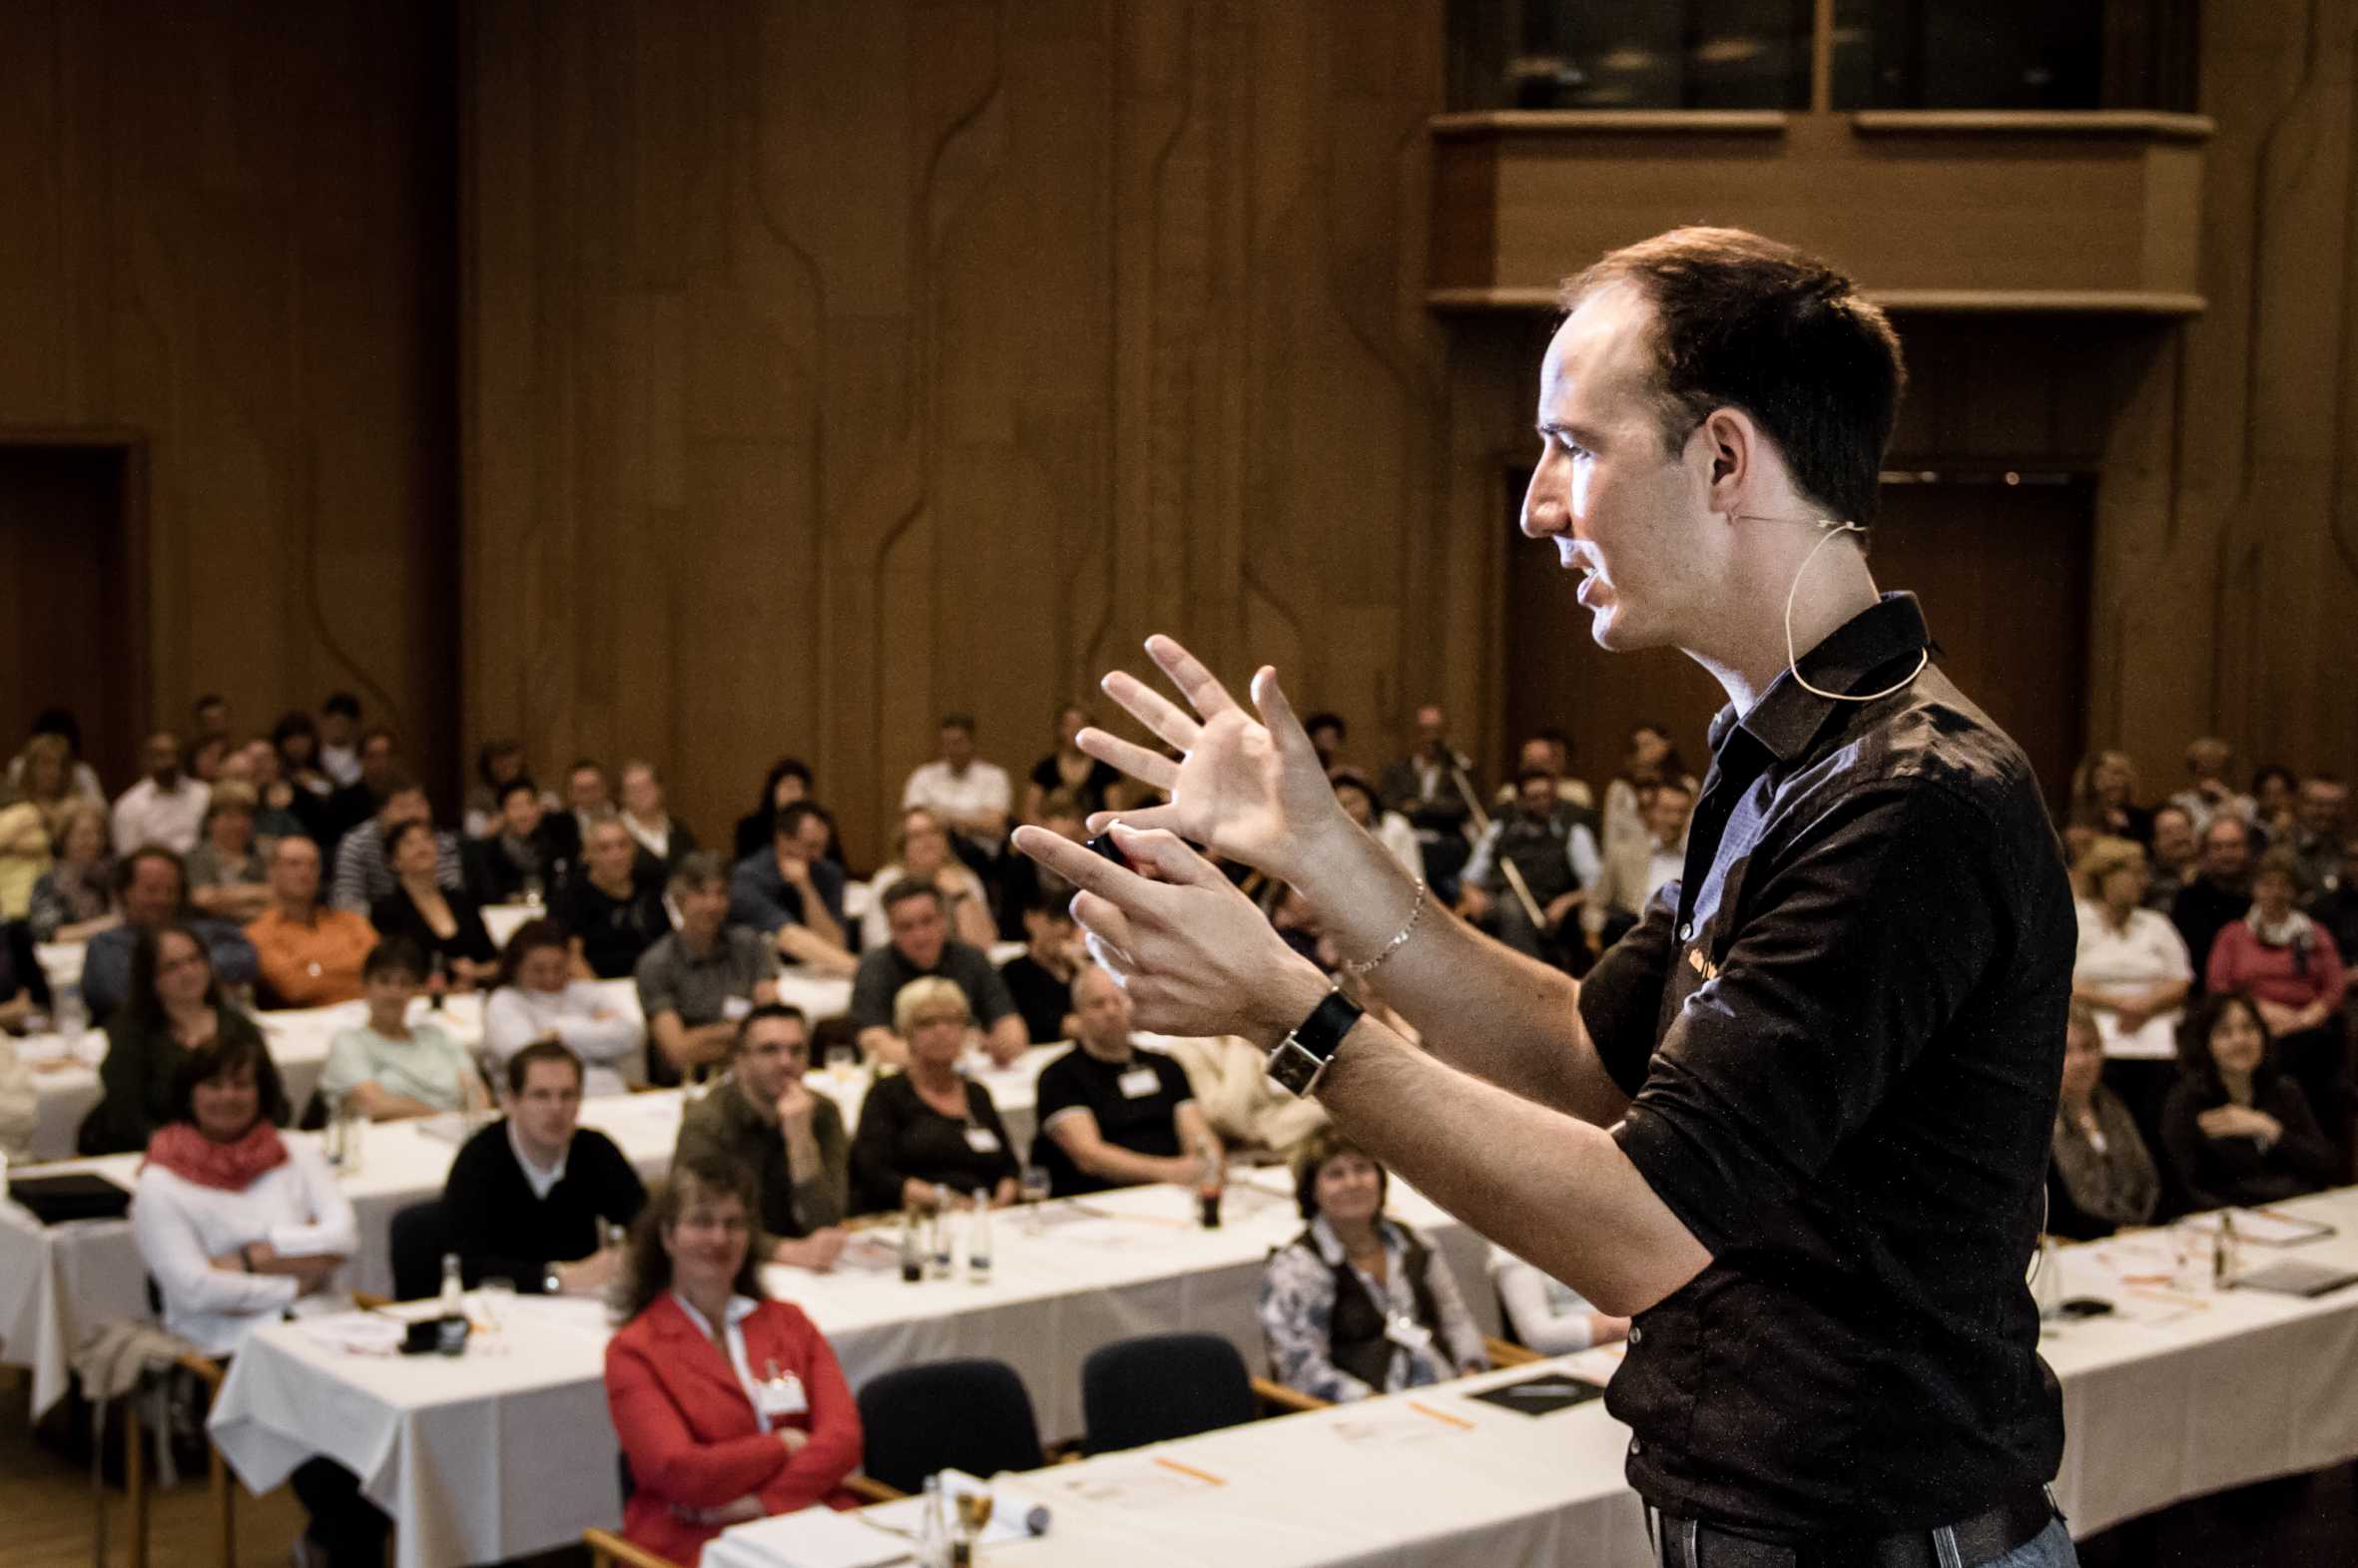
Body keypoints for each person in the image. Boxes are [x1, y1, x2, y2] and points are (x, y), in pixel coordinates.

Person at [1022, 229, 2077, 1563]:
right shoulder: (1781, 753)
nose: (1534, 505)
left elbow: (1636, 1230)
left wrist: (1288, 1013)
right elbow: (1586, 1057)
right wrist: (1321, 853)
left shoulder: (1906, 796)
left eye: (1572, 445)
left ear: (1723, 458)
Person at [129, 1032, 386, 1567]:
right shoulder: (159, 1182)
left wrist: (251, 1257)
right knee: (336, 1429)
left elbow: (343, 1238)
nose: (228, 1096)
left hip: (324, 1323)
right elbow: (194, 1287)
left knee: (393, 1410)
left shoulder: (295, 1151)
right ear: (189, 1092)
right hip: (228, 1339)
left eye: (242, 1084)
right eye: (214, 1084)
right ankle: (339, 1546)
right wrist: (296, 1276)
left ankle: (336, 1543)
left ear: (262, 1090)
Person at [604, 1155, 864, 1566]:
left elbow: (843, 1439)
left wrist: (760, 1503)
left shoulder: (790, 1324)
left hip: (806, 1517)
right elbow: (678, 1471)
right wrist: (782, 1445)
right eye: (701, 1222)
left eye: (734, 1223)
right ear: (668, 1237)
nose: (719, 1237)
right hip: (696, 1537)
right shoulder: (634, 1351)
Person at [1258, 1131, 1487, 1402]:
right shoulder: (1297, 1268)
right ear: (1312, 1191)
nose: (1352, 1183)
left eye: (1362, 1169)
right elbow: (1301, 1370)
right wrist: (1373, 1402)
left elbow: (1456, 1320)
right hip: (1361, 1410)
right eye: (1335, 1174)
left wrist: (1471, 1374)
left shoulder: (1414, 1243)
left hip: (1448, 1394)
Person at [441, 1039, 646, 1292]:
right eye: (541, 1095)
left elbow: (647, 1223)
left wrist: (627, 1254)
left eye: (567, 1095)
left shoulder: (595, 1150)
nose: (556, 1108)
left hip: (583, 1301)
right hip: (502, 1306)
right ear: (510, 1102)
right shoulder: (478, 1160)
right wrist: (556, 1278)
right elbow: (465, 1265)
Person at [81, 922, 284, 1155]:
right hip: (157, 1156)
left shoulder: (239, 1027)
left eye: (194, 960)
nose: (188, 972)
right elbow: (126, 1117)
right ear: (150, 977)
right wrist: (182, 1153)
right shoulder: (131, 1035)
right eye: (172, 966)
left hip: (237, 1154)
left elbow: (275, 1103)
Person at [673, 1005, 850, 1270]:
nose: (785, 1062)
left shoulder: (823, 1113)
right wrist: (784, 1251)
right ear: (740, 1060)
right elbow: (698, 1222)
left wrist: (801, 1141)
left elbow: (826, 1221)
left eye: (796, 1050)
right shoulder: (708, 1121)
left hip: (805, 1265)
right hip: (727, 1265)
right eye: (769, 1050)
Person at [2204, 845, 2350, 1165]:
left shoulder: (2314, 933)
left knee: (2324, 1062)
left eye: (2283, 885)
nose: (2275, 892)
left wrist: (2306, 1017)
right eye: (2267, 884)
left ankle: (2328, 1160)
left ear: (2294, 890)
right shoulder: (2233, 935)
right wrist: (2258, 1012)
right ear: (2254, 888)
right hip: (2251, 1025)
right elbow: (2218, 985)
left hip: (2308, 1028)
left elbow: (2335, 985)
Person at [1033, 966, 1218, 1197]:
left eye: (1118, 1000)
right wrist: (1170, 1171)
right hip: (1100, 1198)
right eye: (1098, 1004)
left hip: (1175, 1192)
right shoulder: (1059, 1076)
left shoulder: (1165, 1066)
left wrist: (1207, 1164)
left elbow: (1198, 1135)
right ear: (1078, 1013)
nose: (1111, 1011)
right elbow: (1089, 1156)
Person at [847, 977, 1020, 1214]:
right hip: (920, 1215)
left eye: (952, 1021)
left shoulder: (976, 1093)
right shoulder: (886, 1095)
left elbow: (1010, 1168)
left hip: (987, 1213)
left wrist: (1000, 1201)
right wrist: (949, 1202)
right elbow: (876, 1173)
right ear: (907, 1033)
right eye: (927, 1023)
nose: (942, 1031)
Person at [2159, 991, 2341, 1212]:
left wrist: (2270, 1129)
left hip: (2296, 1209)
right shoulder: (2186, 1101)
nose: (2240, 1040)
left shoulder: (2285, 1090)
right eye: (2224, 1032)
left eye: (2249, 1028)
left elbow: (2327, 1164)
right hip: (2230, 1218)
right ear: (2205, 1044)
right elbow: (2186, 1188)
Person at [2070, 836, 2193, 1148]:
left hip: (2156, 1035)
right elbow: (2063, 980)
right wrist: (2119, 1003)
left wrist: (2146, 1005)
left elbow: (2181, 979)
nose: (2144, 881)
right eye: (2134, 873)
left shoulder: (2155, 924)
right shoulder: (2077, 921)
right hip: (2095, 1034)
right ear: (2106, 876)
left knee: (2159, 1114)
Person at [637, 852, 783, 1086]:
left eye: (721, 894)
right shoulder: (656, 964)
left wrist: (701, 1038)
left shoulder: (749, 945)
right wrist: (745, 1032)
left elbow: (775, 1029)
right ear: (679, 900)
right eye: (701, 894)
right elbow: (677, 1052)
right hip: (689, 1084)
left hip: (752, 1078)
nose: (712, 905)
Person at [848, 882, 1023, 1067]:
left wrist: (1002, 1045)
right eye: (906, 927)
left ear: (944, 920)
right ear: (891, 930)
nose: (920, 936)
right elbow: (875, 1045)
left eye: (928, 921)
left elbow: (1013, 1031)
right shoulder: (874, 968)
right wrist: (953, 1050)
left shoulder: (971, 959)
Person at [80, 847, 260, 1024]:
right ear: (125, 893)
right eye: (151, 890)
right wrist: (203, 976)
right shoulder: (106, 945)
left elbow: (247, 961)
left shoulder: (204, 929)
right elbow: (123, 997)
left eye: (171, 890)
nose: (162, 899)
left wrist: (171, 973)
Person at [319, 938, 488, 1121]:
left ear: (414, 991)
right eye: (384, 981)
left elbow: (477, 1094)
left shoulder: (437, 1037)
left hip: (457, 1132)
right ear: (365, 986)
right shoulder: (349, 1042)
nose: (394, 992)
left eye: (404, 983)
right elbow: (372, 1104)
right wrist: (441, 1117)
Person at [1459, 766, 1602, 967]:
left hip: (1548, 912)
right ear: (1520, 800)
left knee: (1511, 908)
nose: (1543, 803)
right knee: (1505, 906)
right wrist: (1472, 893)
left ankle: (1524, 974)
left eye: (1547, 796)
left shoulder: (1573, 832)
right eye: (1534, 798)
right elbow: (1470, 876)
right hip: (1497, 903)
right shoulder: (1499, 829)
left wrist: (1565, 902)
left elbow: (1596, 885)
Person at [483, 918, 643, 1097]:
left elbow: (630, 1035)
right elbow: (526, 1058)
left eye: (558, 968)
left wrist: (559, 1032)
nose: (550, 977)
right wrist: (593, 1028)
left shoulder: (584, 992)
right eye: (538, 970)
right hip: (540, 1102)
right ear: (516, 967)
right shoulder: (503, 1001)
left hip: (611, 1093)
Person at [2046, 1001, 2159, 1241]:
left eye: (2088, 1047)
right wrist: (2114, 1232)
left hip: (2144, 1233)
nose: (2080, 1061)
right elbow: (2057, 1215)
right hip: (2079, 1245)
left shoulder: (2122, 1104)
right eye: (2066, 1051)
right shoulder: (2039, 1125)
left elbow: (2154, 1183)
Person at [244, 835, 377, 1009]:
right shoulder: (258, 932)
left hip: (370, 1009)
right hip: (308, 1017)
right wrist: (353, 972)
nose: (305, 872)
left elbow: (382, 970)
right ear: (272, 871)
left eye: (312, 865)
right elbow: (295, 987)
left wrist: (315, 970)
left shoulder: (352, 921)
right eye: (294, 864)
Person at [369, 819, 498, 990]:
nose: (421, 847)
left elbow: (496, 962)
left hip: (473, 994)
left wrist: (475, 972)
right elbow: (385, 971)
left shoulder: (461, 901)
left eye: (427, 839)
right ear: (394, 860)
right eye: (409, 843)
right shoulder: (386, 911)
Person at [730, 802, 855, 976]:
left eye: (823, 847)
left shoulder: (828, 872)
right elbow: (789, 938)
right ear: (782, 840)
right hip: (760, 973)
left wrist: (806, 888)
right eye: (811, 846)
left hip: (819, 971)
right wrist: (862, 971)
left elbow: (835, 944)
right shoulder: (747, 878)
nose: (818, 855)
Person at [862, 806, 995, 951]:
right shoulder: (887, 881)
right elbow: (878, 942)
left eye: (934, 832)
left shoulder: (965, 879)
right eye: (917, 836)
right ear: (903, 846)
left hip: (958, 962)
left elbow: (982, 945)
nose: (927, 841)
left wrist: (961, 896)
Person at [1582, 778, 1691, 954]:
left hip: (1679, 946)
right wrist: (1593, 937)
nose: (1674, 820)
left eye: (1681, 812)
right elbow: (1596, 904)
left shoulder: (1696, 859)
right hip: (1632, 941)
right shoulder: (1623, 853)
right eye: (1666, 811)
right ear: (1651, 811)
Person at [557, 816, 672, 981]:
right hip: (601, 987)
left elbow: (669, 945)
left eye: (623, 845)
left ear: (634, 850)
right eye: (604, 848)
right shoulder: (573, 896)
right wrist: (601, 992)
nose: (617, 856)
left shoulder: (650, 886)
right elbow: (572, 959)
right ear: (587, 854)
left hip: (652, 983)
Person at [330, 774, 463, 913]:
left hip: (433, 916)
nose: (414, 814)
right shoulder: (357, 844)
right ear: (381, 812)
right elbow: (347, 903)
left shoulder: (442, 841)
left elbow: (453, 897)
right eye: (403, 806)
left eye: (419, 803)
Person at [903, 714, 1013, 872]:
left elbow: (994, 826)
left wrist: (947, 820)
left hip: (979, 858)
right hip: (930, 852)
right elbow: (913, 821)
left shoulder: (994, 777)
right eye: (946, 743)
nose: (952, 749)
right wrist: (968, 822)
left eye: (958, 742)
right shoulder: (924, 776)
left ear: (972, 742)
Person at [1489, 1243, 1628, 1355]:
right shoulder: (1513, 1238)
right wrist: (1621, 1326)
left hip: (1627, 1343)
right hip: (1579, 1357)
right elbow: (1541, 1336)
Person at [462, 776, 578, 906]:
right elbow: (486, 896)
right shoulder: (489, 852)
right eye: (515, 806)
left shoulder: (556, 843)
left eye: (530, 804)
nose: (524, 814)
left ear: (538, 808)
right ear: (503, 813)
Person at [2172, 813, 2255, 984]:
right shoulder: (2188, 899)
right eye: (2217, 847)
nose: (2226, 854)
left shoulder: (2262, 896)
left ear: (2247, 849)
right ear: (2205, 853)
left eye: (2234, 846)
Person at [1597, 723, 1694, 857]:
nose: (1642, 751)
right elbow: (1611, 835)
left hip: (1677, 856)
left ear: (1666, 745)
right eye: (1637, 746)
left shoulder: (1687, 784)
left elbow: (1692, 828)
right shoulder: (1620, 788)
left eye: (1648, 744)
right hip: (1631, 858)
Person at [27, 798, 117, 943]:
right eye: (84, 834)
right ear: (64, 838)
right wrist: (110, 924)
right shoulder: (49, 883)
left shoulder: (115, 876)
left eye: (100, 833)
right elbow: (49, 933)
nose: (95, 841)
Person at [184, 781, 272, 923]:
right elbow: (202, 900)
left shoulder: (265, 850)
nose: (239, 824)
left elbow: (280, 895)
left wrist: (223, 897)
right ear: (211, 821)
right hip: (214, 929)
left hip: (266, 928)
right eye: (230, 817)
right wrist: (257, 894)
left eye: (245, 816)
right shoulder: (198, 856)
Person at [110, 732, 209, 856]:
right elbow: (128, 856)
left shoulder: (203, 794)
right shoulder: (128, 806)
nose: (170, 761)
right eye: (161, 755)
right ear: (147, 760)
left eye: (175, 754)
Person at [999, 901, 1084, 1044]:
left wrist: (1082, 967)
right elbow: (1047, 1024)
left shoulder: (1080, 967)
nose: (1063, 928)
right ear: (1030, 919)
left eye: (1070, 922)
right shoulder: (1014, 972)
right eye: (1054, 919)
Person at [1023, 704, 1122, 824]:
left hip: (1093, 833)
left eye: (1079, 726)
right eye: (1068, 725)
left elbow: (1115, 815)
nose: (1073, 731)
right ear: (1059, 729)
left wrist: (1087, 833)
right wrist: (1047, 830)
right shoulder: (1045, 768)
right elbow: (1030, 812)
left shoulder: (1106, 771)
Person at [1330, 769, 1422, 877]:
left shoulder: (1394, 825)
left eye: (1354, 801)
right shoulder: (1334, 837)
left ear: (1368, 797)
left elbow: (1414, 874)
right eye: (1343, 806)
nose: (1350, 810)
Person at [617, 759, 698, 875]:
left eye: (647, 786)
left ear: (660, 789)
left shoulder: (679, 829)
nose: (641, 793)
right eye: (633, 789)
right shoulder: (614, 832)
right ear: (623, 796)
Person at [732, 758, 815, 864]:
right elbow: (744, 866)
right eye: (788, 786)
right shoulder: (750, 827)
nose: (792, 793)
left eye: (798, 787)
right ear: (773, 791)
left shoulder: (817, 827)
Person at [2170, 738, 2253, 838]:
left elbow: (2245, 833)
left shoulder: (2245, 803)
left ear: (2227, 773)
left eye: (2215, 772)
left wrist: (2225, 797)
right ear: (2193, 773)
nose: (2209, 779)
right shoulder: (2179, 803)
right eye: (2203, 773)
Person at [2069, 750, 2151, 848]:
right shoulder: (2074, 815)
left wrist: (2124, 830)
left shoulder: (2139, 818)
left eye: (2117, 773)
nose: (2110, 780)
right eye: (2100, 775)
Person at [2289, 776, 2349, 897]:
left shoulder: (2351, 848)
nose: (2328, 812)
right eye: (2319, 805)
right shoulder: (2282, 848)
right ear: (2301, 805)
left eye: (2336, 805)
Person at [2143, 802, 2198, 913]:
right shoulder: (2146, 880)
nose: (2178, 837)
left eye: (2183, 829)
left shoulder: (2213, 871)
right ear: (2154, 843)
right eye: (2168, 832)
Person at [316, 692, 364, 788]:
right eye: (334, 721)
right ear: (324, 721)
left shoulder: (364, 757)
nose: (338, 727)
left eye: (344, 722)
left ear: (355, 724)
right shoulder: (313, 755)